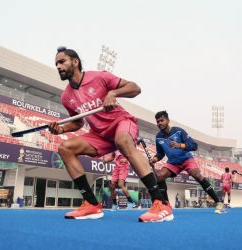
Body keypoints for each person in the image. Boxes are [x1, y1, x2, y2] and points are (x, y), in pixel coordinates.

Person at [49, 47, 172, 222]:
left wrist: (113, 93)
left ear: (75, 62)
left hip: (122, 123)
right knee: (65, 148)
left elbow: (135, 88)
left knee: (122, 141)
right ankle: (91, 204)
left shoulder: (99, 77)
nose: (58, 66)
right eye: (56, 64)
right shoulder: (66, 97)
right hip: (100, 135)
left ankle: (161, 202)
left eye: (62, 62)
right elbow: (78, 122)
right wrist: (61, 129)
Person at [150, 111, 226, 214]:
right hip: (173, 163)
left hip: (186, 159)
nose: (159, 123)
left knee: (197, 175)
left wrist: (180, 145)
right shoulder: (158, 137)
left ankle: (219, 203)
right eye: (157, 121)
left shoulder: (179, 131)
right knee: (159, 177)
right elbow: (160, 153)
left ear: (168, 120)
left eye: (162, 120)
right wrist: (155, 158)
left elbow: (194, 146)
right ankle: (166, 205)